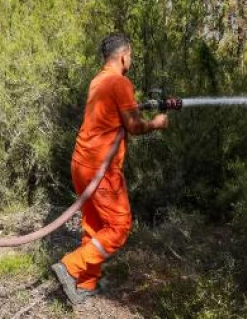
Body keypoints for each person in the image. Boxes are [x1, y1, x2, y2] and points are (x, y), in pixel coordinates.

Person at [51, 33, 169, 304]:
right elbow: (135, 126)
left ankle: (85, 283)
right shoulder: (120, 82)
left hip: (80, 163)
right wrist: (157, 123)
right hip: (100, 169)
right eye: (132, 56)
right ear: (124, 55)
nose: (132, 61)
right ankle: (71, 267)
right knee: (119, 226)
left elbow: (116, 116)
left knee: (94, 225)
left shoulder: (99, 80)